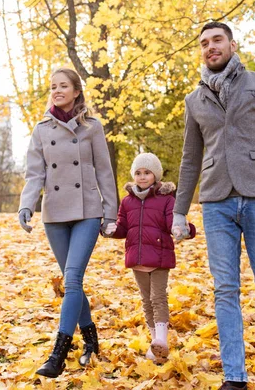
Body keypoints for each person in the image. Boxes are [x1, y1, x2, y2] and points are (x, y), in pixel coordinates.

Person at [171, 22, 255, 390]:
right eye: (204, 43)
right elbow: (190, 159)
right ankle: (235, 375)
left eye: (217, 40)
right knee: (225, 288)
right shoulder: (194, 100)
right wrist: (180, 211)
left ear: (232, 44)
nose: (210, 47)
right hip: (216, 202)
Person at [18, 67, 118, 378]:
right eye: (53, 87)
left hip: (87, 211)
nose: (57, 91)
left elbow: (105, 172)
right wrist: (26, 204)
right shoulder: (41, 130)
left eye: (63, 86)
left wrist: (111, 213)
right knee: (72, 282)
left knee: (72, 280)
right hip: (55, 215)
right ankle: (91, 340)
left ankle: (58, 353)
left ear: (76, 91)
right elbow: (35, 174)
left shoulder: (92, 127)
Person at [104, 152, 196, 363]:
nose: (142, 177)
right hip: (137, 259)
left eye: (147, 172)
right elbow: (123, 227)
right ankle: (156, 345)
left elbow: (172, 223)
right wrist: (111, 230)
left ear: (155, 175)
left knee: (158, 298)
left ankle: (162, 339)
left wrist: (185, 229)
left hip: (159, 257)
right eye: (138, 173)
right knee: (146, 301)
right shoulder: (127, 201)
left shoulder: (166, 199)